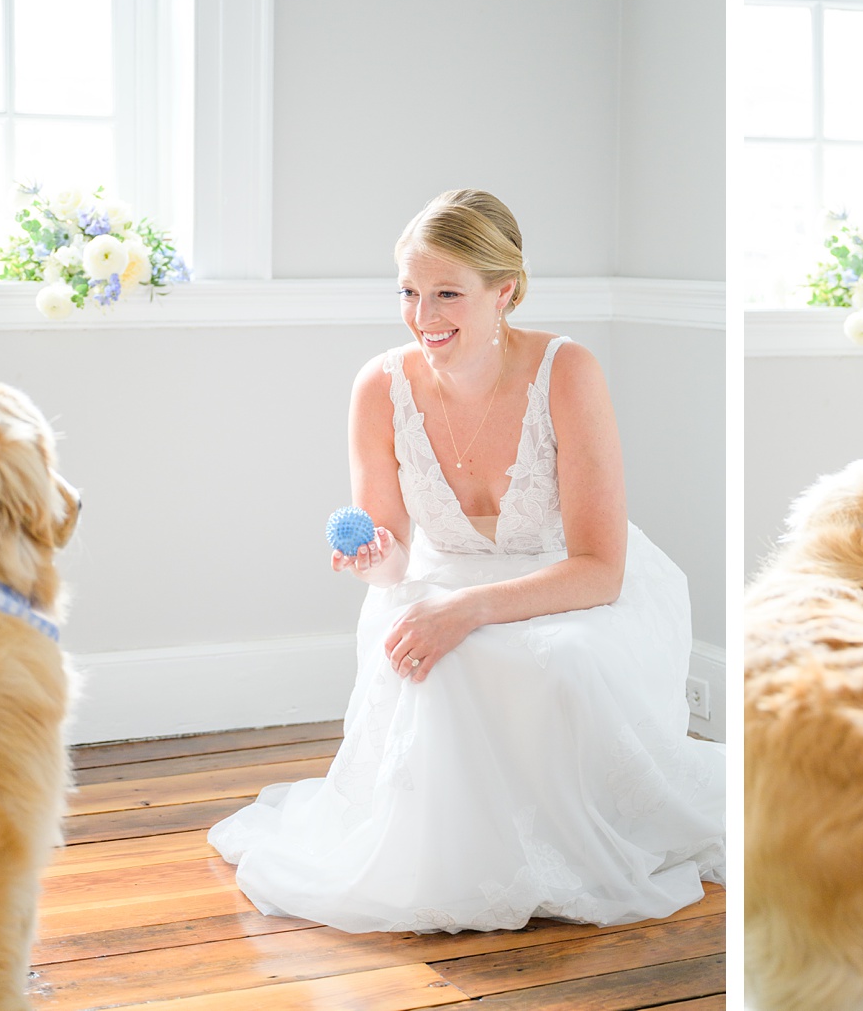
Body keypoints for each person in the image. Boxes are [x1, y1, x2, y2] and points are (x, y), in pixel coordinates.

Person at [206, 190, 725, 934]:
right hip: (439, 576)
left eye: (447, 293)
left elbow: (599, 568)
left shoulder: (567, 371)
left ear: (504, 292)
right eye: (410, 293)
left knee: (558, 661)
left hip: (568, 583)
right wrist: (374, 563)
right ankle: (457, 863)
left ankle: (566, 845)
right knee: (433, 663)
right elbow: (394, 560)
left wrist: (469, 609)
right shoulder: (379, 386)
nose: (424, 316)